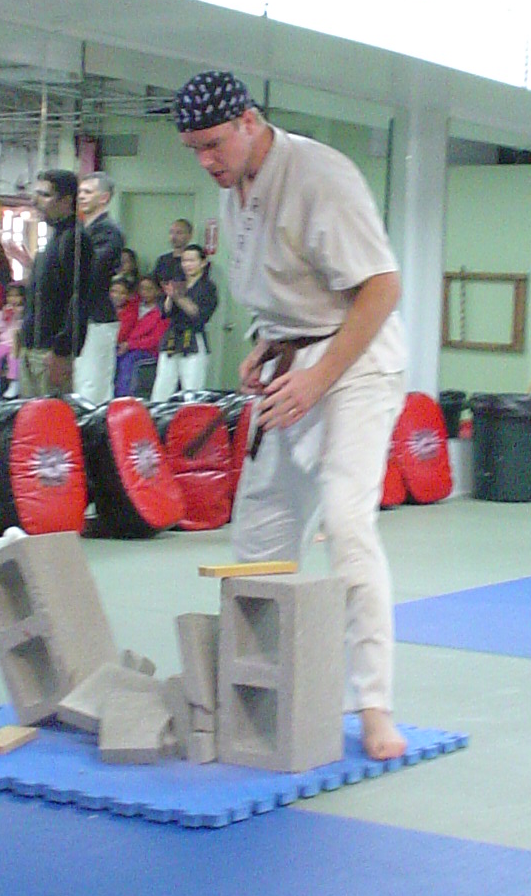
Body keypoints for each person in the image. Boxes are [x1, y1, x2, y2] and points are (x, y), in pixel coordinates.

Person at [173, 70, 408, 761]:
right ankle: (259, 688)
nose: (206, 160)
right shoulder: (236, 189)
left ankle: (373, 704)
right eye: (194, 149)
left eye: (214, 144)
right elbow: (287, 292)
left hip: (358, 367)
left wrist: (318, 378)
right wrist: (265, 344)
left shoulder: (319, 175)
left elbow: (382, 287)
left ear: (249, 122)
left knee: (345, 520)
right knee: (261, 530)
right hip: (292, 365)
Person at [18, 170, 93, 398]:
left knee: (51, 416)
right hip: (34, 346)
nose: (35, 201)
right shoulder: (55, 237)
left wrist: (62, 351)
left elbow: (79, 298)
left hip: (51, 351)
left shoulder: (75, 239)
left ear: (66, 201)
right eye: (36, 193)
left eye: (45, 195)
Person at [73, 172, 124, 404]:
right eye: (80, 192)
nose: (82, 196)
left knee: (93, 385)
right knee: (77, 382)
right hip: (79, 316)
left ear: (103, 197)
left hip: (97, 317)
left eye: (88, 192)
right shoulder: (82, 229)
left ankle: (95, 427)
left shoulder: (109, 231)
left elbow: (92, 272)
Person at [150, 245, 218, 400]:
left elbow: (198, 314)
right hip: (172, 338)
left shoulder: (208, 287)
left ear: (203, 263)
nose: (187, 265)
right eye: (184, 261)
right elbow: (166, 312)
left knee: (192, 389)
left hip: (193, 339)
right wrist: (170, 296)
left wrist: (178, 297)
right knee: (162, 386)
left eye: (192, 260)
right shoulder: (178, 283)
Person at [115, 274, 168, 396]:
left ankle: (123, 397)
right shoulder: (133, 306)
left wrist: (130, 345)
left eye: (149, 289)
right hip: (126, 345)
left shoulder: (162, 312)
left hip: (147, 351)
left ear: (158, 291)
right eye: (142, 288)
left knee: (128, 361)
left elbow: (155, 339)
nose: (145, 292)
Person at [152, 218, 193, 290]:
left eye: (179, 233)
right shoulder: (163, 260)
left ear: (189, 236)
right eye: (171, 232)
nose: (174, 237)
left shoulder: (193, 261)